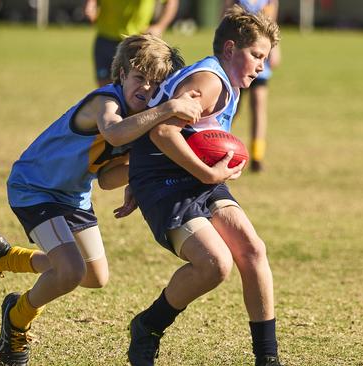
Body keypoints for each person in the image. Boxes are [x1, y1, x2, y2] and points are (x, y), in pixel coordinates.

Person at [0, 34, 202, 366]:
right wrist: (170, 107)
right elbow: (114, 133)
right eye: (139, 77)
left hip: (73, 196)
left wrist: (137, 175)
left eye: (156, 82)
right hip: (36, 188)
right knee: (70, 271)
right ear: (121, 75)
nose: (146, 87)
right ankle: (16, 321)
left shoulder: (143, 122)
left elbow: (104, 178)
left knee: (94, 276)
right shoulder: (107, 103)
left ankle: (2, 257)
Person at [116, 5, 282, 366]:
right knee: (214, 264)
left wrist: (214, 169)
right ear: (229, 49)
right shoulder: (210, 82)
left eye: (264, 58)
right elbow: (162, 131)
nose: (260, 65)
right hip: (163, 178)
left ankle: (268, 358)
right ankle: (148, 326)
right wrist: (207, 174)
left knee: (252, 250)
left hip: (194, 173)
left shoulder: (231, 83)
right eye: (256, 55)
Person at [224, 0, 280, 173]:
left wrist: (276, 49)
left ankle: (257, 156)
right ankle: (217, 145)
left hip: (259, 58)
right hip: (239, 60)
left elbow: (272, 22)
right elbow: (225, 20)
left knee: (258, 105)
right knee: (231, 106)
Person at [84, 0, 179, 86]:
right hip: (106, 37)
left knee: (137, 85)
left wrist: (160, 26)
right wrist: (91, 4)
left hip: (137, 42)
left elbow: (171, 2)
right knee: (106, 87)